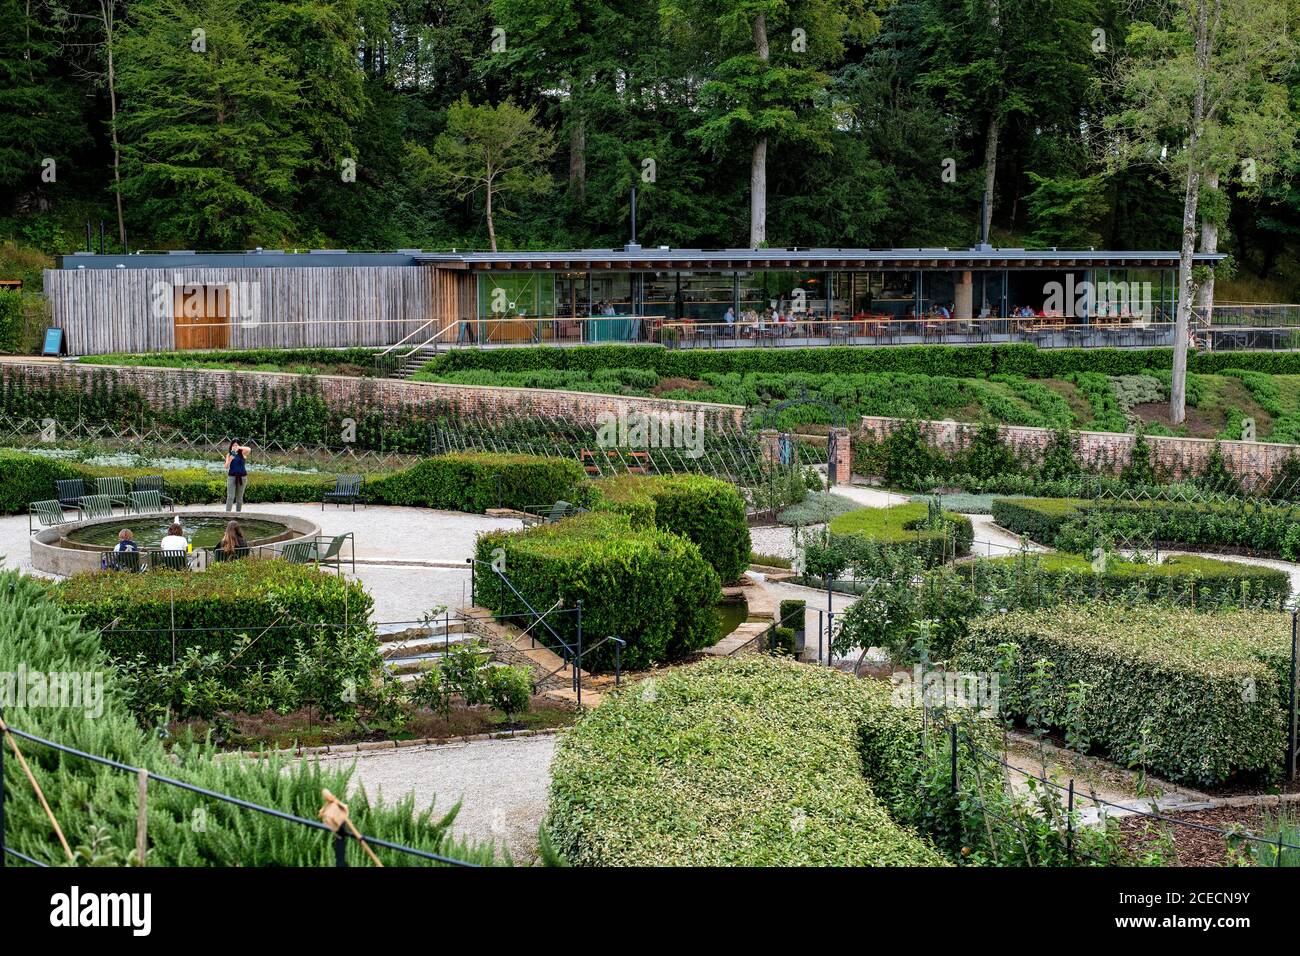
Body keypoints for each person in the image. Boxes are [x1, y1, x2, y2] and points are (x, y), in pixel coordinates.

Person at [225, 439, 250, 512]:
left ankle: (238, 514)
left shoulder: (243, 453)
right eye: (233, 445)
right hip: (232, 477)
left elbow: (249, 449)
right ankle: (227, 514)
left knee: (239, 497)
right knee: (230, 496)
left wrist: (239, 447)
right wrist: (230, 459)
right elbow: (226, 466)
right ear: (231, 446)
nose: (235, 446)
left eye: (236, 445)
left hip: (242, 477)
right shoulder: (229, 454)